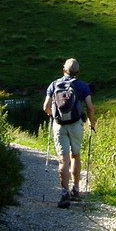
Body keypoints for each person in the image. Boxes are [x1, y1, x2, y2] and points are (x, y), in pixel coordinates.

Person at [43, 58, 96, 208]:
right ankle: (76, 190)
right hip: (76, 125)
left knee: (63, 160)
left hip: (59, 125)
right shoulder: (82, 86)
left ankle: (64, 193)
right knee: (75, 155)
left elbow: (45, 107)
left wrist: (52, 115)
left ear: (63, 69)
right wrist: (92, 122)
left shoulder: (54, 84)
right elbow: (90, 108)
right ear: (77, 72)